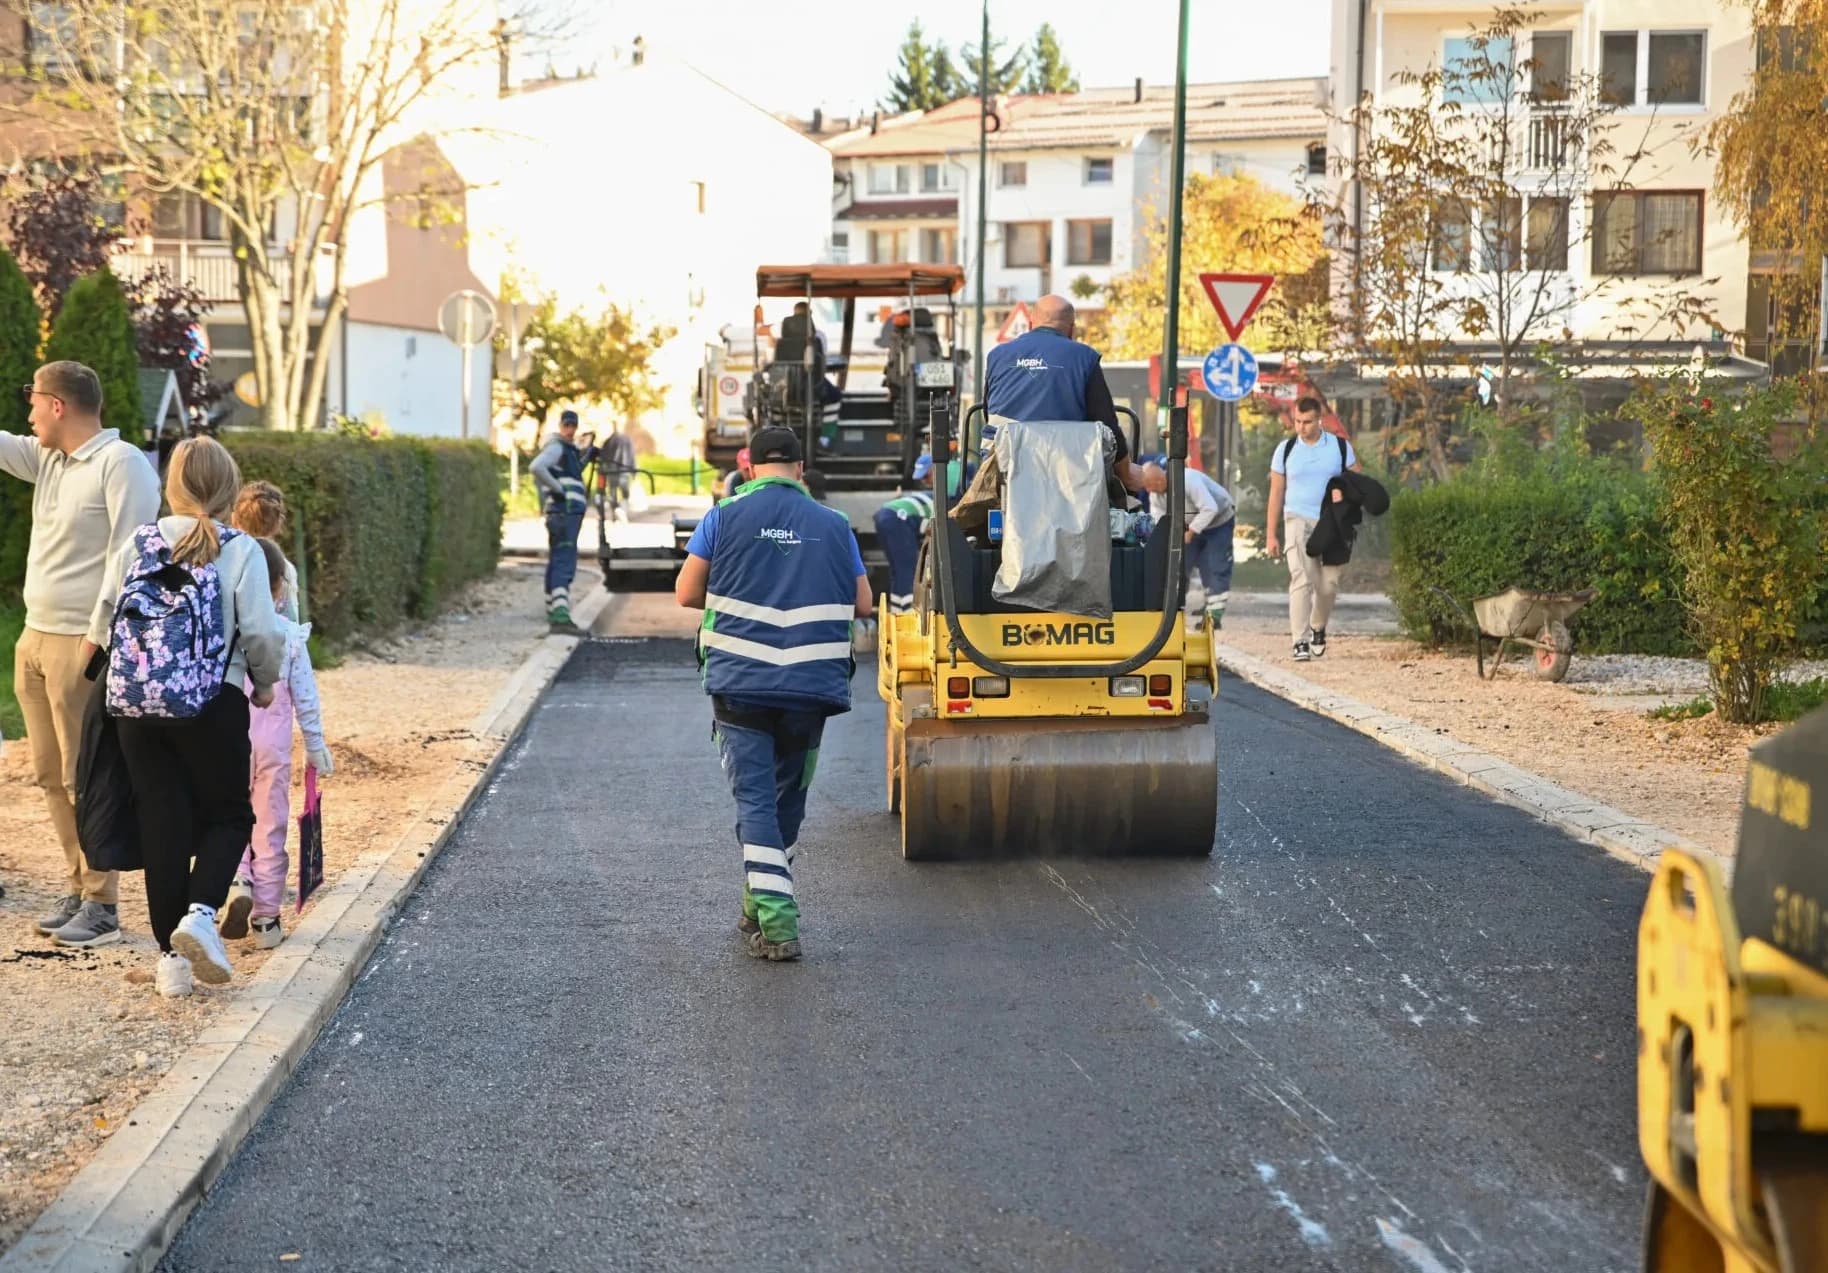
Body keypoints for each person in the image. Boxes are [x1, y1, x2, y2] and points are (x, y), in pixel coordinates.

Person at [673, 425, 872, 962]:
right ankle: (759, 897)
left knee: (755, 799)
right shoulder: (834, 525)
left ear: (751, 468)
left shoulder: (723, 515)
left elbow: (687, 592)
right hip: (812, 686)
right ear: (801, 469)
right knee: (789, 795)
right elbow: (863, 603)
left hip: (741, 684)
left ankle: (780, 924)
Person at [103, 437, 285, 998]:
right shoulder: (241, 549)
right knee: (229, 815)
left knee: (162, 822)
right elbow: (259, 631)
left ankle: (170, 966)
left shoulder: (140, 542)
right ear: (229, 489)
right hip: (213, 702)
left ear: (171, 486)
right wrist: (264, 682)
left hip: (139, 706)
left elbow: (104, 618)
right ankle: (202, 915)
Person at [0, 360, 160, 948]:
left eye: (32, 400)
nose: (28, 412)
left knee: (85, 776)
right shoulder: (49, 458)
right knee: (47, 774)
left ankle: (103, 903)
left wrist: (100, 636)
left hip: (82, 644)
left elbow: (133, 558)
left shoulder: (122, 466)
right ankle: (78, 884)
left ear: (59, 405)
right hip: (34, 636)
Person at [218, 537, 332, 952]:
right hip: (273, 750)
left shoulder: (227, 634)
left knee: (229, 818)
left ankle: (237, 880)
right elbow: (306, 697)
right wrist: (315, 746)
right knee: (270, 828)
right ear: (281, 587)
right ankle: (266, 918)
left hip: (228, 743)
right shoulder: (289, 638)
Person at [983, 294, 1136, 502]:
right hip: (1065, 473)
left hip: (1001, 465)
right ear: (1071, 329)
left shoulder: (996, 356)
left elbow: (987, 412)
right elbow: (1106, 423)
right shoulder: (1085, 357)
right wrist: (1126, 473)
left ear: (1030, 324)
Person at [1266, 396, 1362, 662]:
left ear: (1320, 420)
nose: (1301, 427)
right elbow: (1276, 492)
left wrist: (1344, 495)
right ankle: (1299, 640)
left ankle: (1318, 626)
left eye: (1307, 422)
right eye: (1297, 421)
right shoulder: (1285, 450)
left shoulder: (1340, 448)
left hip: (1331, 522)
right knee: (1302, 578)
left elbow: (1357, 481)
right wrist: (1271, 534)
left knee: (1328, 585)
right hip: (1297, 518)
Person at [1138, 463, 1236, 630]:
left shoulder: (1188, 479)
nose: (1148, 490)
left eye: (1149, 485)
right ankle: (1174, 610)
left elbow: (1210, 508)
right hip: (1190, 525)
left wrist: (1191, 532)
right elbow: (1159, 521)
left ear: (1160, 480)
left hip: (1219, 522)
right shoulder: (1156, 495)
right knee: (1180, 565)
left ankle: (1214, 616)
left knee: (1216, 565)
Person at [529, 409, 589, 633]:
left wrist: (586, 456)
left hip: (564, 512)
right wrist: (559, 490)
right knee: (564, 559)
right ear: (560, 425)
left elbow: (569, 471)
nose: (570, 430)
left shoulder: (566, 450)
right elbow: (536, 467)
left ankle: (553, 607)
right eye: (567, 425)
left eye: (573, 426)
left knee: (557, 558)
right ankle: (561, 616)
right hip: (564, 511)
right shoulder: (556, 447)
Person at [231, 480, 300, 621]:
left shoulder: (226, 560)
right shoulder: (285, 569)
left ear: (235, 519)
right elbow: (291, 620)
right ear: (278, 524)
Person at [599, 424, 637, 522]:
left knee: (612, 493)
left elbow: (603, 458)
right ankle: (622, 511)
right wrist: (634, 470)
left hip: (612, 471)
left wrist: (603, 470)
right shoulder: (627, 440)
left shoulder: (608, 441)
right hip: (624, 470)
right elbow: (632, 455)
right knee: (625, 493)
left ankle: (615, 512)